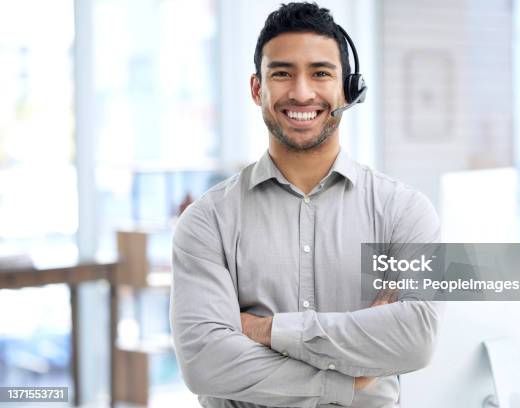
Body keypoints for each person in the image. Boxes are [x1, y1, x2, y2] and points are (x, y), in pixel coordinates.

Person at [170, 3, 442, 407]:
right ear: (256, 89)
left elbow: (416, 339)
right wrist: (347, 379)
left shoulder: (403, 213)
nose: (301, 92)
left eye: (320, 73)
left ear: (348, 89)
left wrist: (267, 331)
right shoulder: (207, 222)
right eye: (281, 73)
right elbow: (206, 364)